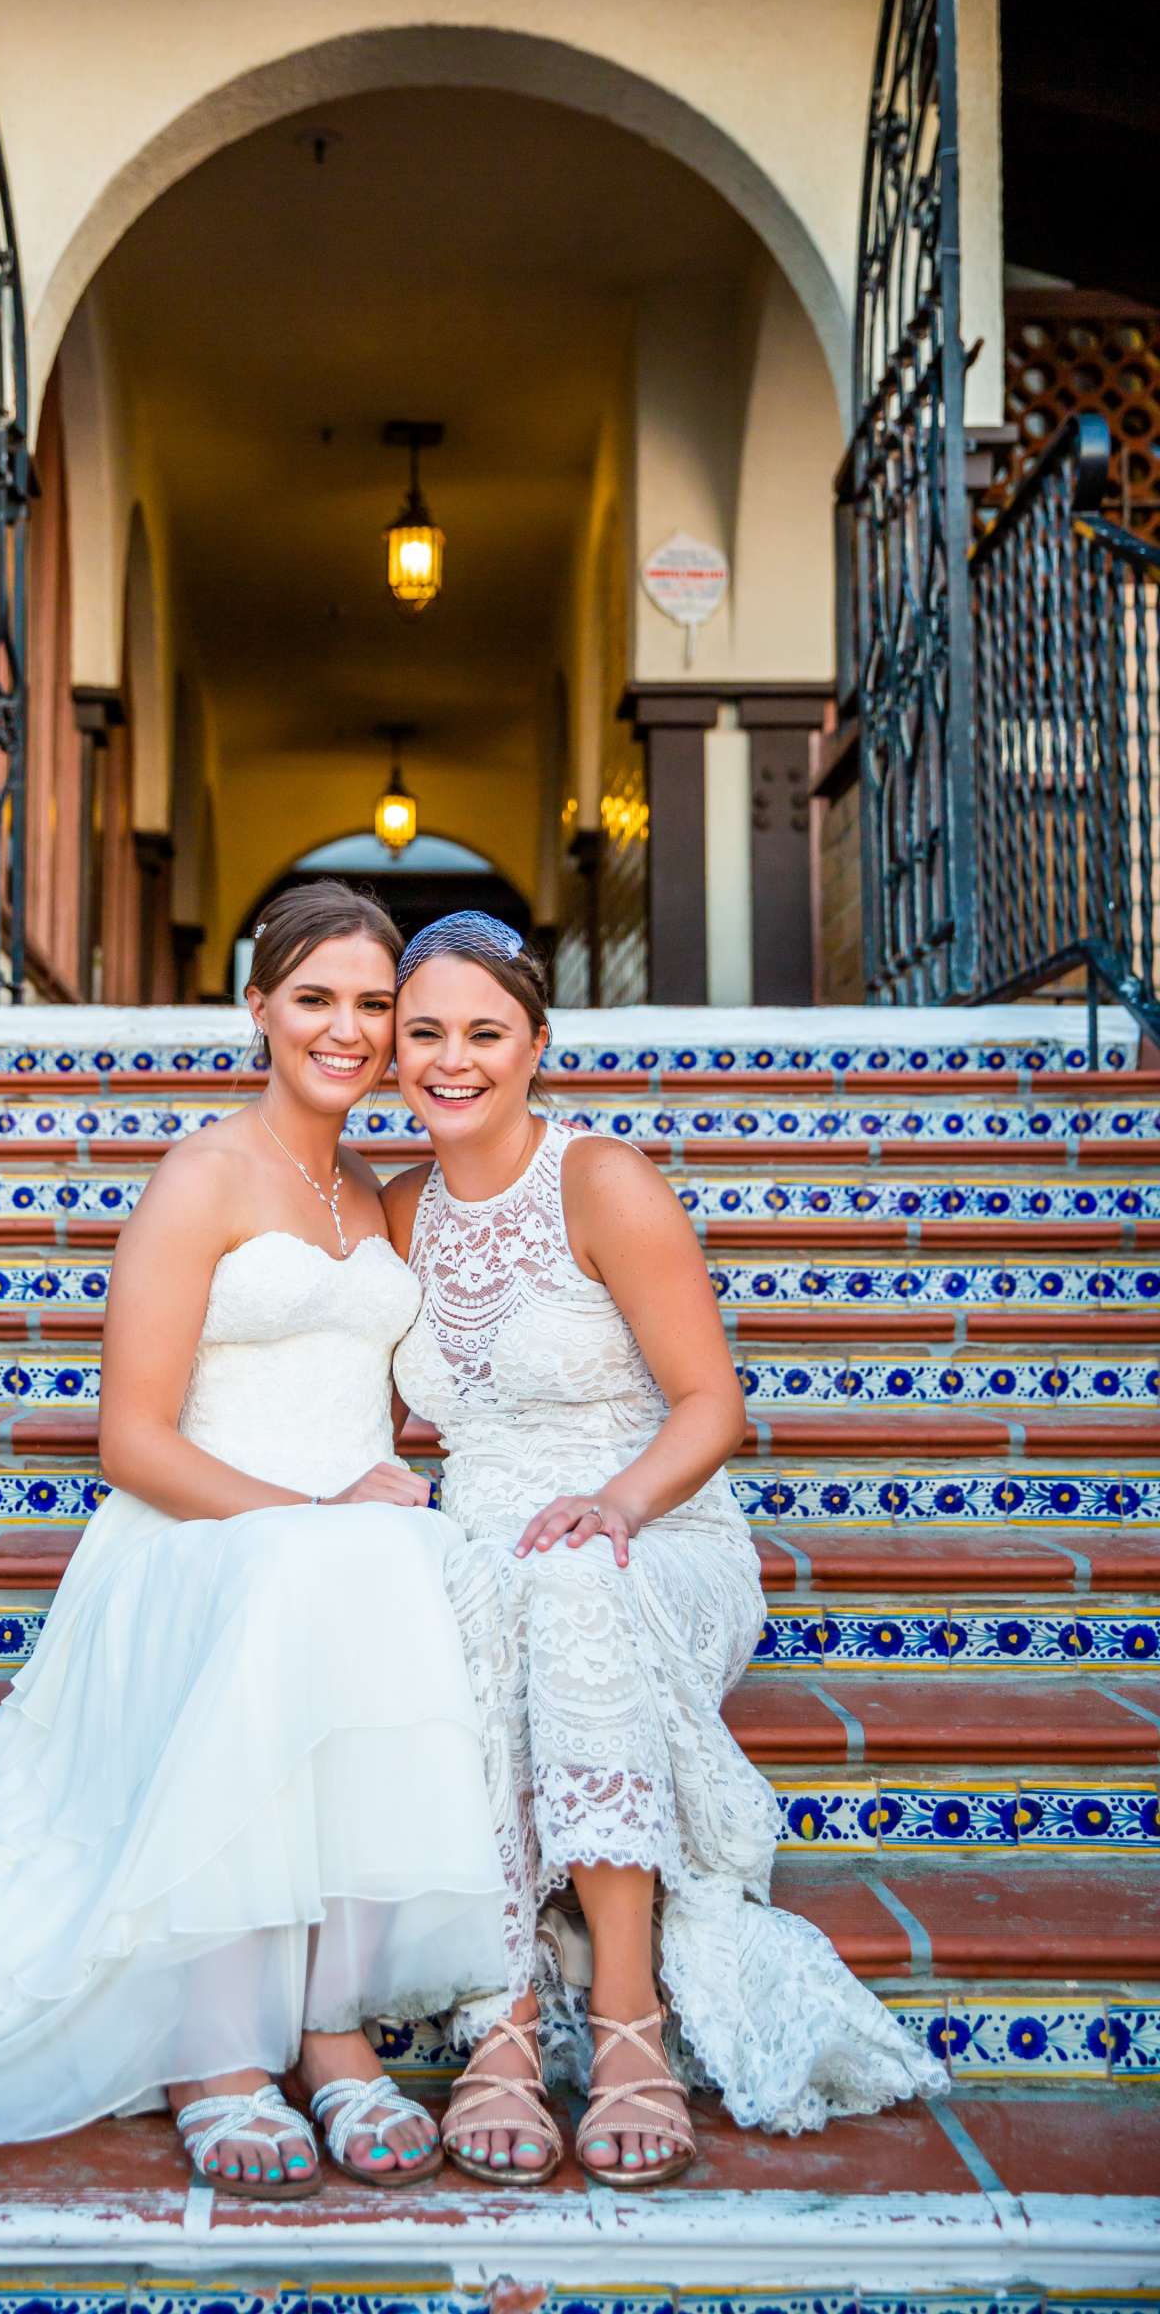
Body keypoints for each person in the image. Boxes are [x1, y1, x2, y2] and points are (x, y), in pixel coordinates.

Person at [0, 882, 510, 2198]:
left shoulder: (375, 1187)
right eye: (317, 999)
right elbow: (131, 1441)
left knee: (390, 1572)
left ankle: (329, 2029)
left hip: (338, 1543)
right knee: (333, 1572)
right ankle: (214, 2054)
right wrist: (309, 1518)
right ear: (259, 1006)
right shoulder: (202, 1175)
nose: (349, 1030)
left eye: (375, 1005)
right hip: (196, 1529)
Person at [385, 910, 946, 2190]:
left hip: (654, 1532)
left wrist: (621, 1506)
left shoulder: (600, 1180)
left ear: (535, 1042)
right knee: (466, 1602)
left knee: (570, 1586)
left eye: (484, 1031)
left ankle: (627, 2015)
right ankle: (505, 2023)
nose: (451, 1059)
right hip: (484, 1533)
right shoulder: (397, 1208)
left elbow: (713, 1406)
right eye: (424, 1034)